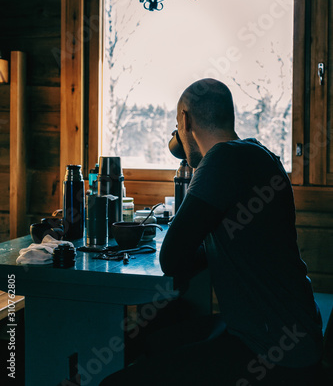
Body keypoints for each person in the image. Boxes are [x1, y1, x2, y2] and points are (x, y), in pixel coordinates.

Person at [100, 78, 323, 386]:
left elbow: (172, 261)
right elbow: (230, 240)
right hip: (296, 334)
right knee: (154, 339)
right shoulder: (260, 154)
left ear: (184, 120)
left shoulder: (220, 160)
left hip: (270, 352)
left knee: (113, 383)